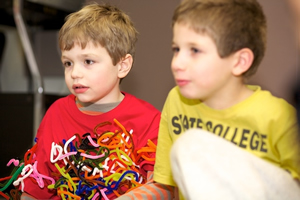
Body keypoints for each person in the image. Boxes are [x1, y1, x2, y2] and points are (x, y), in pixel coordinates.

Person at [152, 0, 300, 199]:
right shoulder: (176, 101)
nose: (177, 63)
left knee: (190, 144)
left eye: (195, 50)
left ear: (239, 62)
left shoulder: (279, 115)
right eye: (176, 49)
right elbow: (167, 183)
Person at [18, 2, 161, 199]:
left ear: (122, 65)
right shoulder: (57, 112)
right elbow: (35, 187)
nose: (74, 73)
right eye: (68, 63)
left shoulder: (148, 120)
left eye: (88, 61)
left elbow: (161, 185)